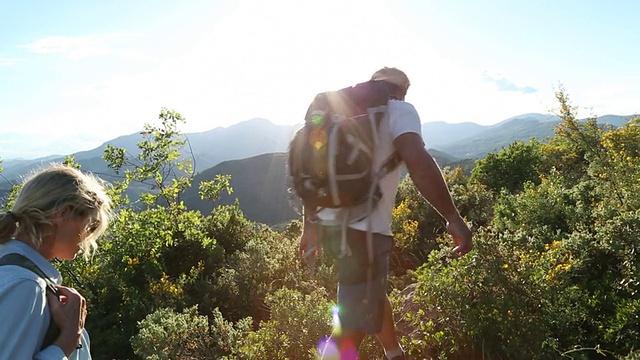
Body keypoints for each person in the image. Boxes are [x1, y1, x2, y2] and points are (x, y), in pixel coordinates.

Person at [300, 67, 473, 360]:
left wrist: (309, 225)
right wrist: (453, 217)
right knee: (353, 324)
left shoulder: (335, 114)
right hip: (364, 231)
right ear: (402, 89)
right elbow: (417, 161)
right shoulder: (400, 109)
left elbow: (310, 172)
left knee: (371, 292)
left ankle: (394, 352)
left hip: (330, 225)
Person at [0, 163, 112, 360]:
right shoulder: (25, 285)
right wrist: (68, 339)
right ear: (63, 214)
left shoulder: (16, 271)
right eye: (91, 225)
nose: (89, 237)